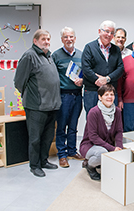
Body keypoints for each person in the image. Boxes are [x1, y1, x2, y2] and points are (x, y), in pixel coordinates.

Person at [14, 29, 61, 177]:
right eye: (43, 39)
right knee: (35, 138)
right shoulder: (29, 56)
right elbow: (18, 81)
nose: (46, 42)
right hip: (36, 106)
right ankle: (34, 166)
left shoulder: (48, 55)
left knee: (47, 137)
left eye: (48, 39)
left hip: (51, 105)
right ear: (35, 41)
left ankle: (43, 161)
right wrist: (30, 95)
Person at [52, 27, 84, 168]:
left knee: (73, 126)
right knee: (62, 127)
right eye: (65, 37)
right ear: (62, 39)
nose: (69, 39)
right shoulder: (56, 56)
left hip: (78, 95)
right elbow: (51, 76)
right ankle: (62, 155)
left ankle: (72, 151)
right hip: (63, 96)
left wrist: (82, 81)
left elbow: (85, 73)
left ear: (75, 38)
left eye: (71, 36)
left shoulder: (81, 54)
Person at [79, 84, 123, 180]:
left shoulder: (117, 111)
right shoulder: (93, 112)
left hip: (106, 144)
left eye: (112, 94)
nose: (109, 97)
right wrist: (112, 148)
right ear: (100, 97)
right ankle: (90, 166)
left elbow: (119, 131)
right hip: (90, 145)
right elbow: (93, 137)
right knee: (102, 153)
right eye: (106, 94)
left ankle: (99, 161)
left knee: (125, 146)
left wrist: (119, 147)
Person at [82, 20, 124, 114]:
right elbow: (86, 68)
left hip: (111, 92)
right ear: (99, 31)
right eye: (106, 31)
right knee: (93, 120)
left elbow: (120, 68)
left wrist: (107, 79)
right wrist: (98, 80)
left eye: (112, 33)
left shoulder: (116, 49)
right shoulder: (89, 47)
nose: (109, 34)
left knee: (110, 120)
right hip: (92, 91)